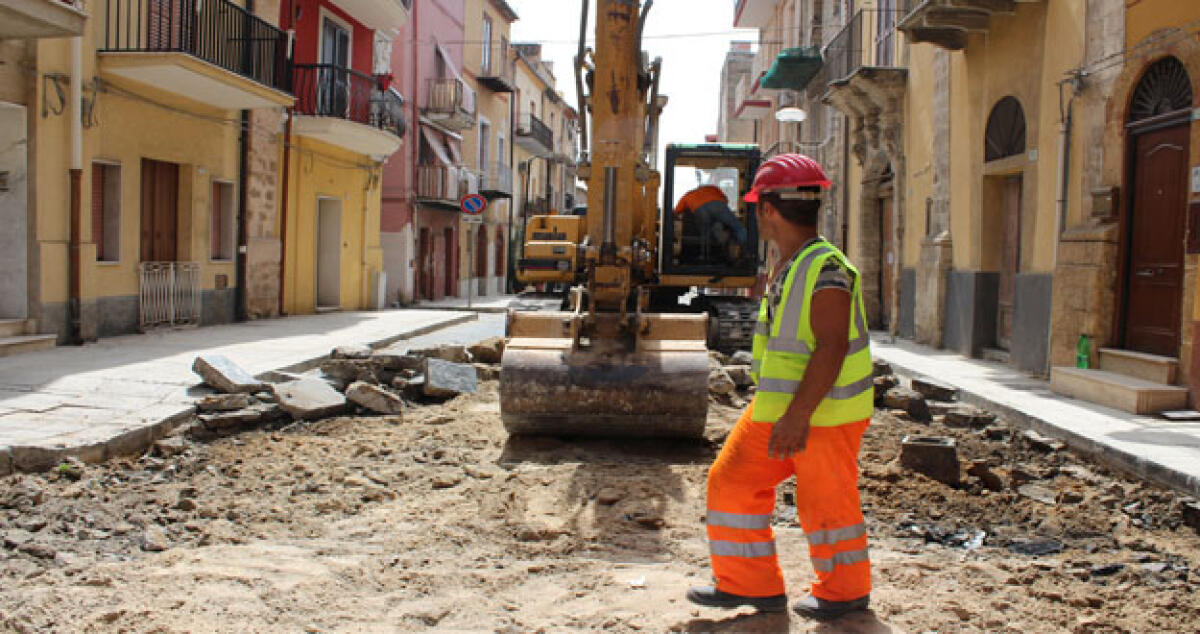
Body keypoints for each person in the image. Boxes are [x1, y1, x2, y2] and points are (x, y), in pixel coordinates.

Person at [685, 154, 874, 619]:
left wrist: (796, 418)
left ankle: (844, 593)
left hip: (820, 415)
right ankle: (750, 583)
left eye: (756, 207)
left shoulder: (825, 267)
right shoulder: (793, 264)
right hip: (781, 410)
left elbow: (830, 348)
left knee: (826, 505)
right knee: (731, 481)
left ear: (768, 210)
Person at [674, 184, 747, 262]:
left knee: (705, 235)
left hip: (699, 209)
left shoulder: (688, 195)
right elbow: (725, 200)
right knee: (737, 227)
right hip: (717, 205)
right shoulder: (712, 188)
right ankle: (745, 252)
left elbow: (676, 212)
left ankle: (705, 257)